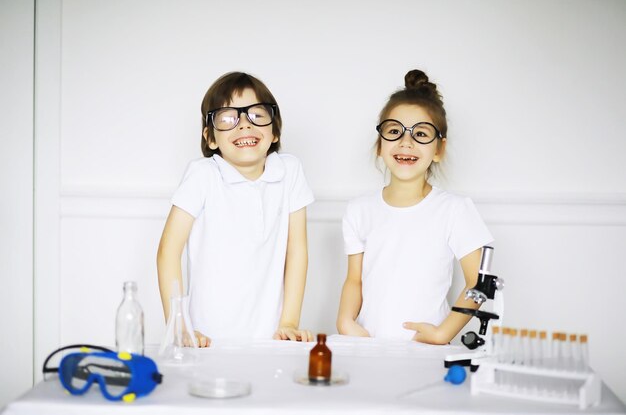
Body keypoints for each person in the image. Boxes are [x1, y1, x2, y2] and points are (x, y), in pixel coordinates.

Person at [336, 69, 494, 344]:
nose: (405, 142)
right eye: (394, 131)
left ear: (438, 149)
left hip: (425, 349)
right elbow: (354, 280)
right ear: (379, 144)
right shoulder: (358, 210)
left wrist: (443, 333)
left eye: (421, 134)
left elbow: (478, 281)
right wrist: (345, 321)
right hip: (369, 344)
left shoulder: (454, 210)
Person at [157, 72, 314, 347]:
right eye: (228, 118)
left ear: (274, 130)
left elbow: (297, 250)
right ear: (211, 138)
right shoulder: (203, 175)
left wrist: (289, 321)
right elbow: (169, 251)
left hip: (270, 337)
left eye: (257, 115)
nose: (244, 125)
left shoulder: (289, 171)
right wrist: (179, 326)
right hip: (205, 337)